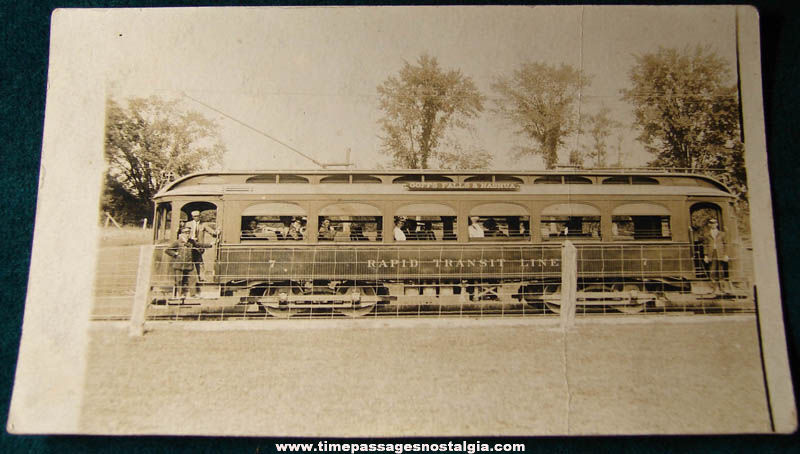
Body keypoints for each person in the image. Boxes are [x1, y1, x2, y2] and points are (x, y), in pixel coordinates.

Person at [165, 228, 196, 298]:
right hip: (179, 264)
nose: (187, 235)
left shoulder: (191, 242)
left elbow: (199, 244)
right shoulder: (177, 242)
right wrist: (175, 254)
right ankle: (180, 294)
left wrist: (210, 244)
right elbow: (167, 250)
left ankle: (193, 294)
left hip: (189, 264)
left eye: (188, 233)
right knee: (179, 280)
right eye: (186, 233)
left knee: (193, 279)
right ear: (182, 234)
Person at [702, 218, 729, 291]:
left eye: (714, 223)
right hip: (711, 254)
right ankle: (713, 288)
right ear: (709, 225)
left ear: (717, 224)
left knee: (721, 271)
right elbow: (705, 245)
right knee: (712, 271)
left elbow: (725, 244)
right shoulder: (706, 235)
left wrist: (726, 255)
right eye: (711, 223)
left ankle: (722, 288)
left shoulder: (722, 234)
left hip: (720, 253)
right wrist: (705, 256)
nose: (713, 225)